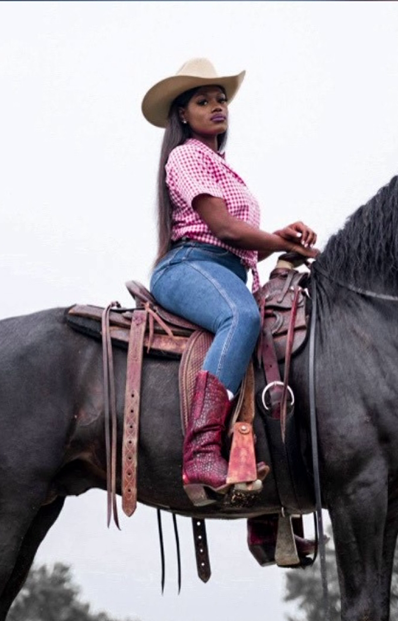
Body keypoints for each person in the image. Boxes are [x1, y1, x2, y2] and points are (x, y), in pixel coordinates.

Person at [141, 58, 320, 509]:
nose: (217, 107)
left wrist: (278, 246)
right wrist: (277, 237)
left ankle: (264, 480)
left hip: (225, 268)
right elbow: (222, 229)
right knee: (241, 316)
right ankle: (201, 452)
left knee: (272, 339)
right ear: (183, 115)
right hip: (187, 266)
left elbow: (241, 247)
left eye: (221, 99)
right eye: (203, 101)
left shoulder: (221, 165)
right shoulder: (185, 156)